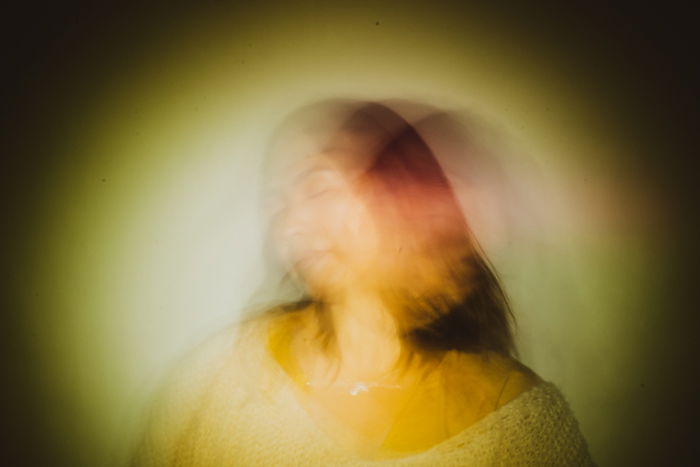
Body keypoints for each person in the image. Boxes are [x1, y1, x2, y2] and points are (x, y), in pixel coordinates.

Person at [133, 100, 595, 466]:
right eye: (280, 202)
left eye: (317, 187)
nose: (290, 224)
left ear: (402, 199)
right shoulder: (229, 374)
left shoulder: (515, 416)